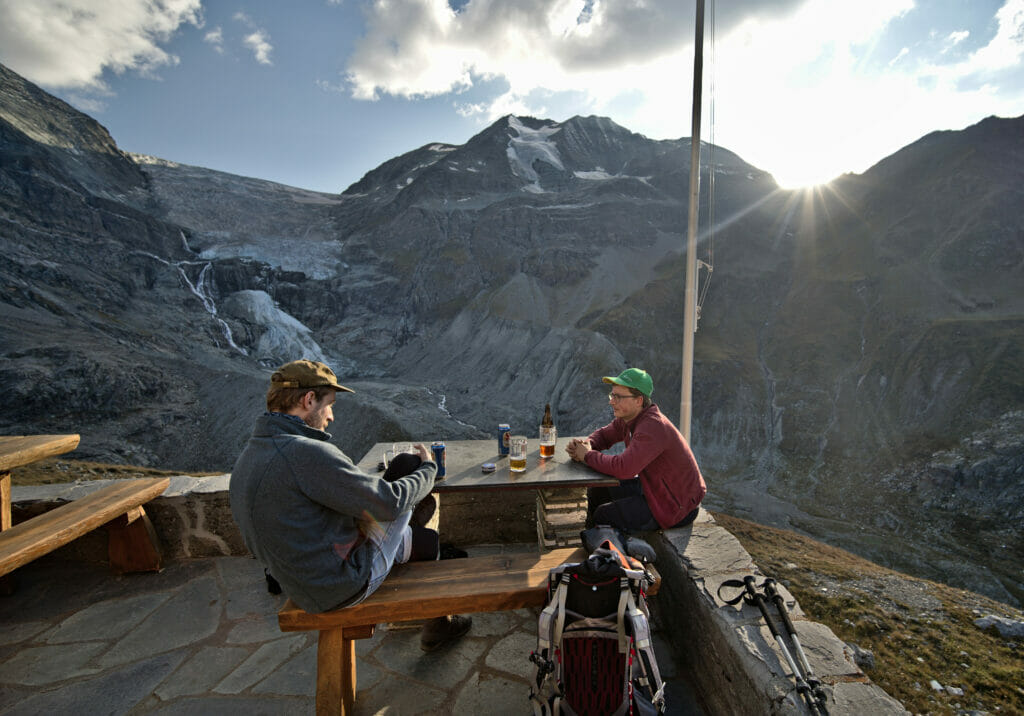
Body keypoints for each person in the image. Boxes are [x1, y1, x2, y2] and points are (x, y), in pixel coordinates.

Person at [229, 359, 471, 651]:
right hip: (342, 585)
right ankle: (438, 624)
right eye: (329, 405)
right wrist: (429, 471)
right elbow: (389, 503)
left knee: (412, 496)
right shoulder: (304, 453)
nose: (330, 416)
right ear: (308, 400)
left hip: (302, 579)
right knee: (413, 498)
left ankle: (408, 538)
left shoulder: (252, 453)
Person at [566, 368, 706, 532]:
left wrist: (588, 456)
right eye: (612, 395)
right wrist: (586, 444)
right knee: (599, 488)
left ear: (639, 400)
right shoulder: (630, 419)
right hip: (655, 489)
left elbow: (624, 468)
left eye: (618, 397)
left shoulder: (652, 426)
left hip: (676, 505)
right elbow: (604, 435)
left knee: (604, 515)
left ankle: (608, 552)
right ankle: (594, 540)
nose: (612, 401)